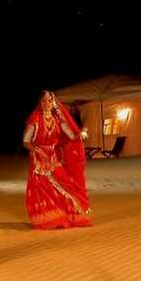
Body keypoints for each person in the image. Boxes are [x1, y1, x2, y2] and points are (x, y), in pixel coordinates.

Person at [23, 91, 92, 229]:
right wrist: (36, 150)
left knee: (66, 185)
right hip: (39, 161)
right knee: (43, 191)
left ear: (53, 103)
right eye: (43, 101)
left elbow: (72, 136)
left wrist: (82, 133)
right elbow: (26, 141)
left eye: (49, 101)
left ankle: (66, 214)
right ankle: (49, 218)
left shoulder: (58, 119)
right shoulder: (35, 119)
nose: (46, 104)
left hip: (53, 159)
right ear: (40, 103)